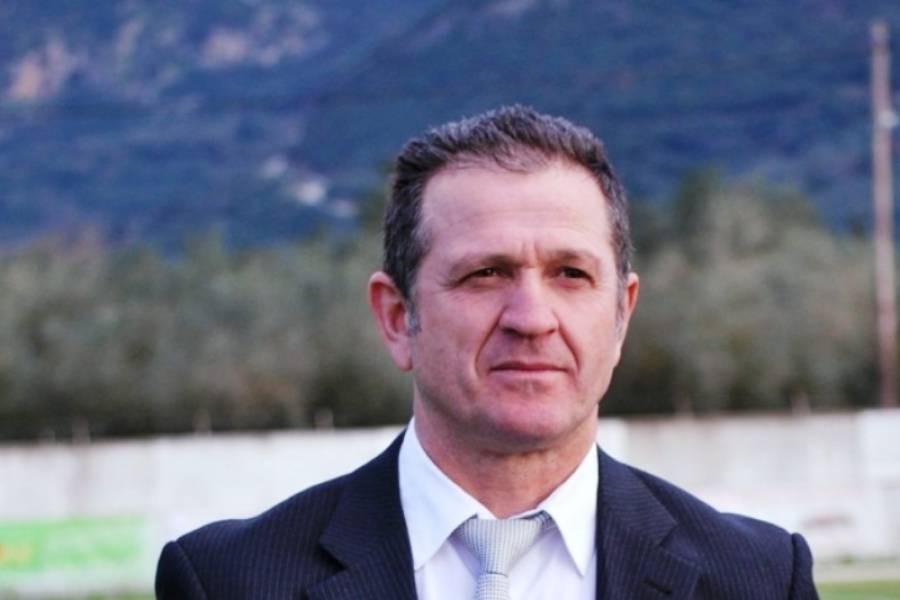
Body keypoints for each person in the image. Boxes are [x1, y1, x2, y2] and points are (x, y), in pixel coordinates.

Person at [155, 105, 818, 599]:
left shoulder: (759, 579)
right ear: (397, 318)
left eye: (571, 274)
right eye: (485, 274)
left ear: (622, 315)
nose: (532, 319)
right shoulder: (228, 581)